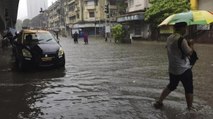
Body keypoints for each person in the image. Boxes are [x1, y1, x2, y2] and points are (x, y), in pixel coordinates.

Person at [153, 22, 195, 111]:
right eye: (185, 28)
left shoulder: (169, 38)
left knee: (171, 85)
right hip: (184, 69)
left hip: (173, 68)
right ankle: (190, 108)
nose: (186, 30)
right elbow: (189, 53)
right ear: (181, 28)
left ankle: (159, 101)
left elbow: (172, 49)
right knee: (189, 88)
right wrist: (191, 44)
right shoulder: (181, 40)